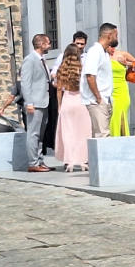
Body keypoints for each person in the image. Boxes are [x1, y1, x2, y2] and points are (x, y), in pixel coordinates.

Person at [54, 43, 91, 172]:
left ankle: (69, 161)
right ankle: (83, 160)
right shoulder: (82, 68)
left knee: (68, 133)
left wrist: (59, 105)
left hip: (67, 101)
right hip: (80, 101)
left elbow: (59, 90)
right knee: (82, 133)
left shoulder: (61, 69)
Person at [19, 33, 53, 172]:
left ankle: (39, 161)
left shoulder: (41, 60)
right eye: (48, 43)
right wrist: (29, 103)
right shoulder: (30, 60)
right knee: (33, 134)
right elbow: (25, 83)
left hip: (43, 101)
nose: (50, 45)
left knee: (40, 134)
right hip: (35, 102)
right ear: (41, 44)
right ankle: (33, 163)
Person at [81, 23, 118, 138]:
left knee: (102, 134)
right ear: (109, 35)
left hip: (105, 100)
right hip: (97, 101)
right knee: (102, 136)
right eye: (116, 35)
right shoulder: (95, 51)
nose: (117, 38)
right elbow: (90, 76)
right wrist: (98, 97)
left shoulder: (104, 52)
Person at [108, 40, 135, 137]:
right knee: (111, 118)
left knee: (120, 116)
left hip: (121, 90)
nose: (112, 49)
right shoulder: (103, 56)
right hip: (108, 90)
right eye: (110, 46)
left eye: (114, 46)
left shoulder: (122, 54)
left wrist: (126, 63)